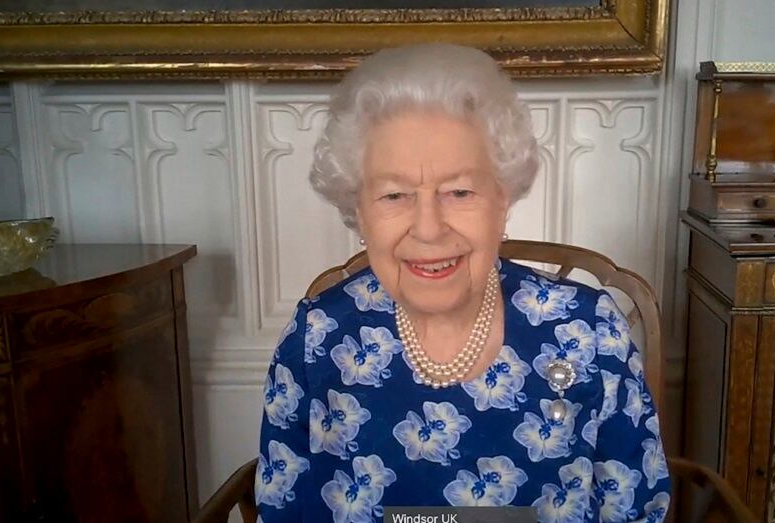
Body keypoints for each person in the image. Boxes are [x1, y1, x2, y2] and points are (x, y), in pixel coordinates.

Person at [256, 43, 670, 523]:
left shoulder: (589, 333)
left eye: (459, 191)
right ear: (359, 212)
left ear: (503, 199)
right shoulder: (317, 339)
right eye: (394, 195)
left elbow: (637, 509)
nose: (429, 228)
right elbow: (281, 510)